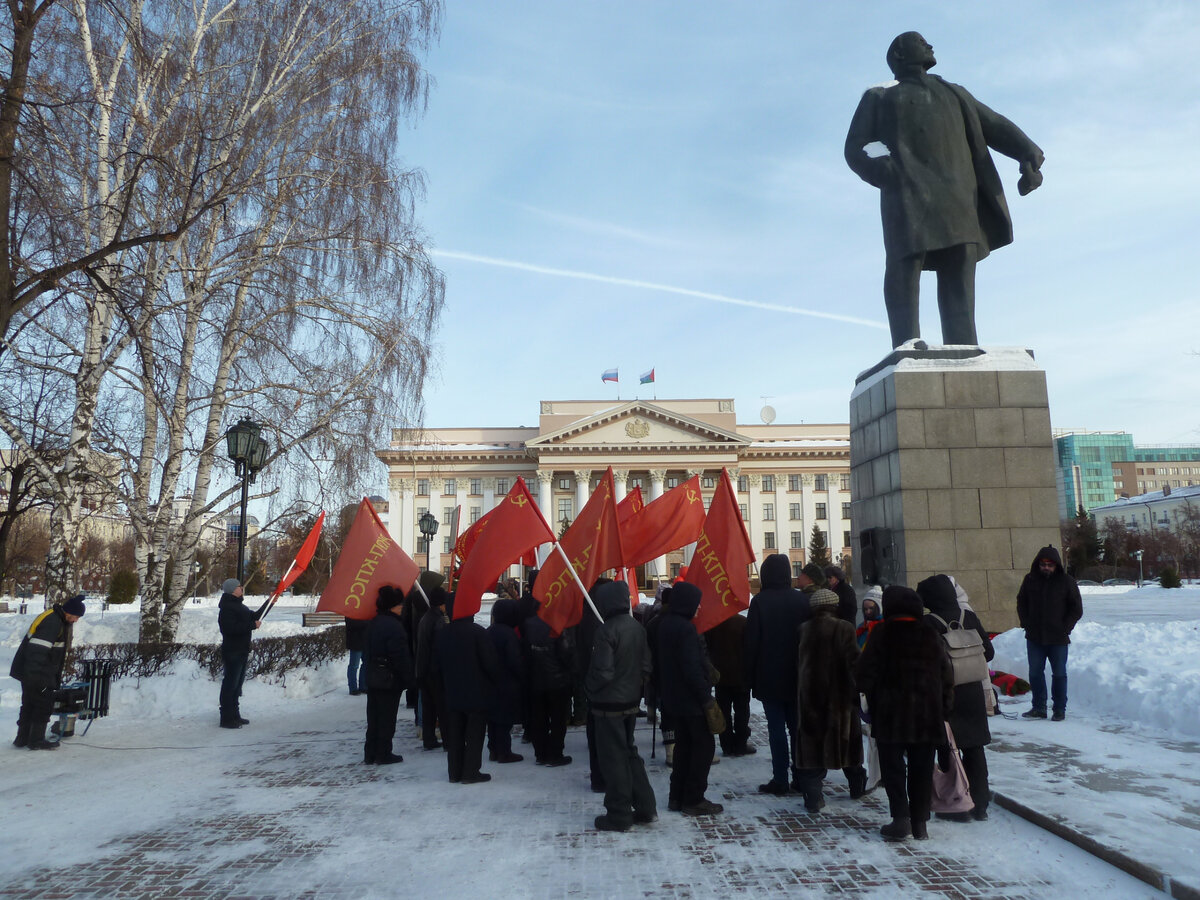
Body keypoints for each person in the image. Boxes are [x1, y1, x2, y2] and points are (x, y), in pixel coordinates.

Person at [845, 31, 1044, 348]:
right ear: (899, 54)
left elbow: (993, 123)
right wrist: (886, 172)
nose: (929, 45)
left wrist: (1028, 153)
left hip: (958, 197)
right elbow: (856, 148)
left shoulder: (954, 93)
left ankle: (964, 345)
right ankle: (907, 344)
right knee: (904, 267)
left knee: (959, 267)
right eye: (920, 41)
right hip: (907, 196)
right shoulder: (879, 96)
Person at [855, 585, 954, 841]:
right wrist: (943, 708)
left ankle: (901, 819)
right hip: (926, 716)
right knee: (922, 769)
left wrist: (867, 695)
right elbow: (946, 675)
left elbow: (864, 674)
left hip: (891, 716)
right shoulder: (930, 634)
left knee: (894, 769)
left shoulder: (882, 634)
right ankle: (920, 823)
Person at [917, 574, 995, 822]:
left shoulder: (928, 622)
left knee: (949, 750)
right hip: (972, 691)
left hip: (944, 694)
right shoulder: (968, 616)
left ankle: (957, 805)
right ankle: (980, 805)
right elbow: (989, 652)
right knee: (975, 749)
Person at [585, 581, 657, 832]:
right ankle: (646, 806)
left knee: (612, 758)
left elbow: (603, 673)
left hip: (608, 704)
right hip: (629, 701)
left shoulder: (606, 631)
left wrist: (589, 689)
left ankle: (619, 813)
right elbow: (646, 667)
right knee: (629, 753)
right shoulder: (637, 628)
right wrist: (633, 688)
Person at [794, 589, 867, 812]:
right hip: (841, 698)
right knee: (847, 744)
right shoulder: (844, 627)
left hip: (811, 696)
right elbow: (855, 662)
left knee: (812, 746)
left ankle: (814, 796)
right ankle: (857, 786)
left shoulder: (804, 629)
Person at [744, 553, 810, 795]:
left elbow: (752, 642)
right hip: (797, 675)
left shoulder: (760, 602)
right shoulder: (802, 601)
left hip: (769, 675)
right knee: (796, 729)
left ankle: (780, 779)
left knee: (776, 730)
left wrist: (749, 676)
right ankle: (802, 776)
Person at [657, 582, 722, 817]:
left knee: (684, 747)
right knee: (704, 747)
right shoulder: (685, 629)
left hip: (674, 698)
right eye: (696, 602)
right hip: (691, 699)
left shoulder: (666, 625)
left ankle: (677, 796)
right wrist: (705, 698)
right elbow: (691, 669)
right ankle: (694, 799)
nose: (700, 606)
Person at [434, 602, 502, 784]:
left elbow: (436, 665)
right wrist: (496, 682)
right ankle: (471, 771)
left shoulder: (443, 634)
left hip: (452, 691)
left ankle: (454, 772)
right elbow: (490, 664)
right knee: (475, 734)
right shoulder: (478, 633)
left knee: (455, 733)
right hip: (476, 691)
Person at [1017, 546, 1083, 721]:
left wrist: (1065, 627)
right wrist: (1026, 622)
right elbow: (1021, 602)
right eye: (1043, 564)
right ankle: (1038, 707)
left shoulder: (1066, 581)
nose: (1046, 567)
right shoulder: (1030, 580)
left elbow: (1076, 608)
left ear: (1056, 565)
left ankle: (1059, 709)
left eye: (1050, 564)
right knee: (1035, 673)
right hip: (1035, 637)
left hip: (1058, 638)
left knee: (1059, 674)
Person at [11, 593, 85, 749]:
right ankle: (36, 741)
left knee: (29, 704)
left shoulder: (54, 617)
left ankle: (22, 738)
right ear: (69, 612)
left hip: (31, 672)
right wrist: (36, 678)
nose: (76, 620)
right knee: (43, 705)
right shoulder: (53, 622)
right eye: (76, 616)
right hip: (37, 673)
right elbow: (37, 652)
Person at [520, 595, 576, 767]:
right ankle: (555, 754)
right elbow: (566, 652)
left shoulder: (527, 625)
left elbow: (524, 652)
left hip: (535, 680)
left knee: (539, 718)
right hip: (557, 680)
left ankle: (541, 754)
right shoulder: (557, 624)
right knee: (558, 719)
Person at [364, 585, 414, 765]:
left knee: (374, 717)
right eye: (400, 605)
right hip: (389, 679)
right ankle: (383, 753)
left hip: (373, 676)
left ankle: (370, 753)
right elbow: (400, 656)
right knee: (387, 718)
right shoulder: (395, 627)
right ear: (393, 606)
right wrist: (409, 678)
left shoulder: (374, 622)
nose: (402, 608)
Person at [218, 578, 269, 729]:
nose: (242, 589)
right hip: (233, 651)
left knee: (237, 685)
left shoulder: (240, 606)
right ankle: (226, 718)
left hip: (241, 650)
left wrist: (270, 602)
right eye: (240, 587)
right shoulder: (227, 608)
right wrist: (251, 626)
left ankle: (235, 714)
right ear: (233, 590)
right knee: (230, 685)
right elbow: (229, 629)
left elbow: (256, 616)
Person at [703, 606, 754, 757]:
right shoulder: (743, 622)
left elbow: (707, 648)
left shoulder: (713, 625)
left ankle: (726, 744)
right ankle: (740, 744)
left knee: (723, 712)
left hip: (721, 676)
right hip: (740, 675)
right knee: (742, 712)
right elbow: (750, 648)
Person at [486, 595, 526, 764]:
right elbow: (514, 660)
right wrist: (523, 675)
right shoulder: (509, 634)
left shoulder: (490, 630)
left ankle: (493, 749)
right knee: (504, 719)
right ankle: (504, 752)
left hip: (490, 681)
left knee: (493, 719)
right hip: (507, 682)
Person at [415, 585, 450, 750]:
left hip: (423, 668)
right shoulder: (438, 620)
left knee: (429, 707)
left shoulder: (425, 617)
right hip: (435, 671)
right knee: (442, 708)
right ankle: (448, 741)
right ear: (442, 603)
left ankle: (429, 739)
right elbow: (440, 647)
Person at [345, 616, 369, 696]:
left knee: (366, 664)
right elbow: (352, 624)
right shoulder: (350, 613)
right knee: (354, 665)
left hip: (365, 641)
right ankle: (353, 688)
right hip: (355, 642)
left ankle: (363, 686)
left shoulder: (365, 612)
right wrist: (367, 622)